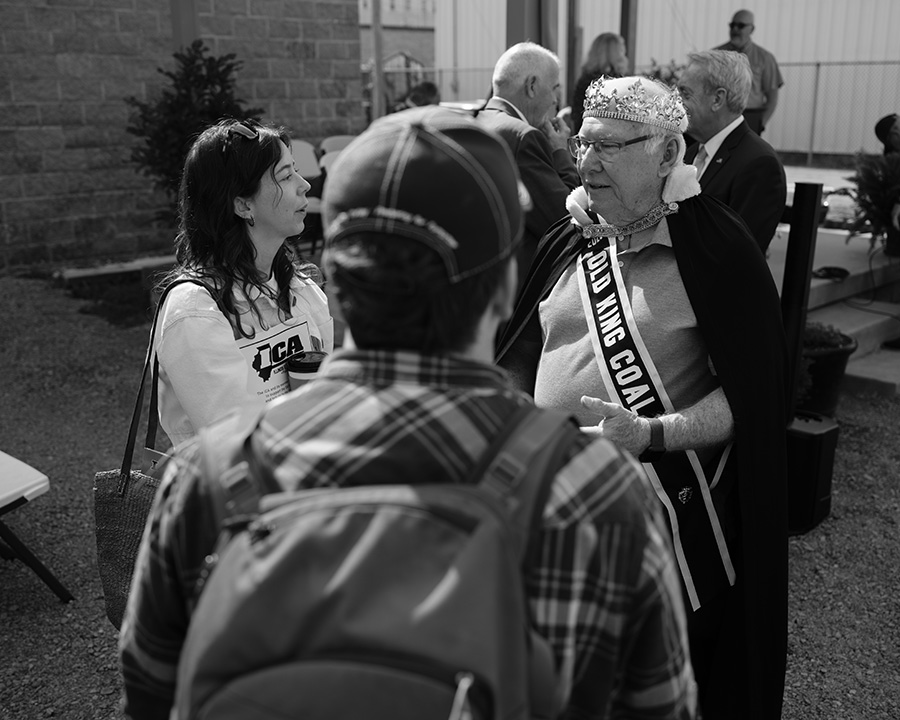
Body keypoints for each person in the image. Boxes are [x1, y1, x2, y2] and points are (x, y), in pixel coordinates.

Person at [120, 106, 697, 720]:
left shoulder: (205, 482)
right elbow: (658, 707)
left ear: (337, 287)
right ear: (505, 287)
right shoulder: (596, 491)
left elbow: (150, 695)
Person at [496, 76, 789, 720]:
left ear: (665, 153)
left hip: (663, 536)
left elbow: (754, 401)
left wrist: (650, 433)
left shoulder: (720, 251)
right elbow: (516, 356)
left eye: (610, 146)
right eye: (582, 144)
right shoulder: (570, 238)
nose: (588, 162)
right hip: (552, 519)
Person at [153, 118, 334, 446]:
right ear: (242, 204)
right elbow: (237, 445)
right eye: (285, 175)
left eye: (295, 170)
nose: (304, 184)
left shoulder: (301, 288)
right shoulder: (196, 312)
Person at [476, 41, 580, 287]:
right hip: (516, 293)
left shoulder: (479, 121)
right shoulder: (523, 137)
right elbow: (566, 221)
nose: (556, 100)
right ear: (532, 86)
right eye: (555, 88)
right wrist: (560, 151)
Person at [680, 49, 786, 252]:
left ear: (718, 99)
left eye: (685, 93)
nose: (676, 102)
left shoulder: (759, 164)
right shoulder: (691, 152)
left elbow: (739, 252)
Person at [715, 9, 783, 135]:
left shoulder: (765, 58)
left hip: (750, 118)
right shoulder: (716, 55)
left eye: (740, 26)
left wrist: (760, 124)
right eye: (732, 25)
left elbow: (772, 98)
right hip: (721, 117)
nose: (735, 29)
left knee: (745, 154)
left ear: (751, 29)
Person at [569, 32, 628, 134]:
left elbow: (575, 114)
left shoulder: (585, 78)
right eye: (622, 51)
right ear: (616, 54)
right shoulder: (617, 82)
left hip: (582, 134)